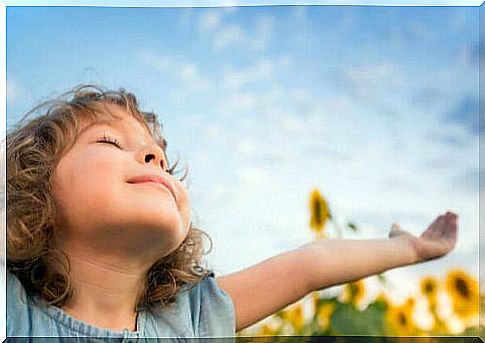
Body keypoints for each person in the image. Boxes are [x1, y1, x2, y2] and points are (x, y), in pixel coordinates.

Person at [6, 85, 458, 340]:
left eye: (159, 155)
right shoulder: (14, 314)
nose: (153, 157)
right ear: (31, 187)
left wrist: (408, 248)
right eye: (109, 141)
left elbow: (310, 265)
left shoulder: (192, 317)